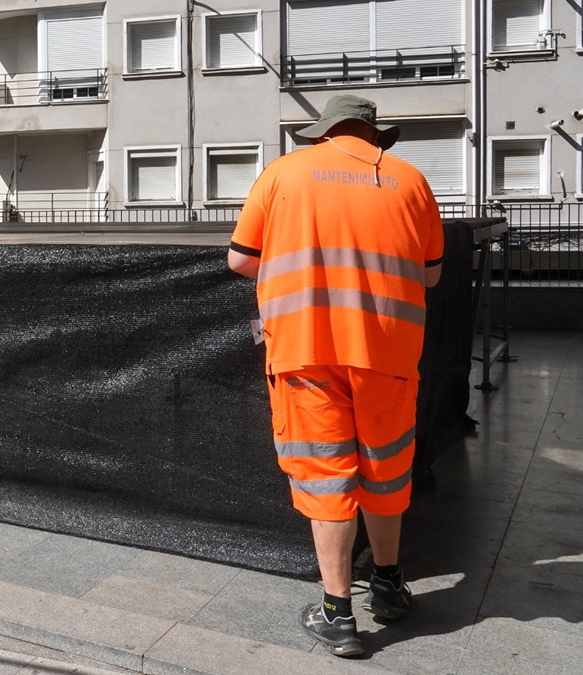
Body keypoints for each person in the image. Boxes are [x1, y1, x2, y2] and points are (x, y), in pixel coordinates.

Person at [228, 95, 443, 657]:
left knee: (326, 476)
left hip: (307, 350)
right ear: (375, 136)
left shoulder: (282, 174)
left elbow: (241, 259)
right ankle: (390, 585)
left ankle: (337, 613)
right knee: (387, 467)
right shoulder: (411, 180)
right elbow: (434, 271)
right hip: (389, 354)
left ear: (324, 132)